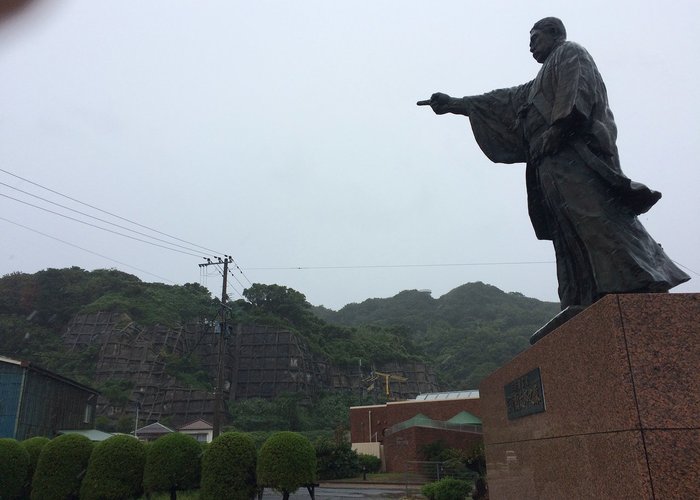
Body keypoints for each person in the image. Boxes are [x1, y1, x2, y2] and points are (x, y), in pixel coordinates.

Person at [420, 17, 689, 310]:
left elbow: (577, 93)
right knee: (566, 231)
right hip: (547, 162)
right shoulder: (536, 84)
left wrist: (558, 129)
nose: (531, 45)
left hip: (573, 155)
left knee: (594, 215)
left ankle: (641, 277)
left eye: (535, 38)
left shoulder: (570, 53)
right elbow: (503, 100)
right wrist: (456, 103)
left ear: (554, 34)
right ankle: (583, 294)